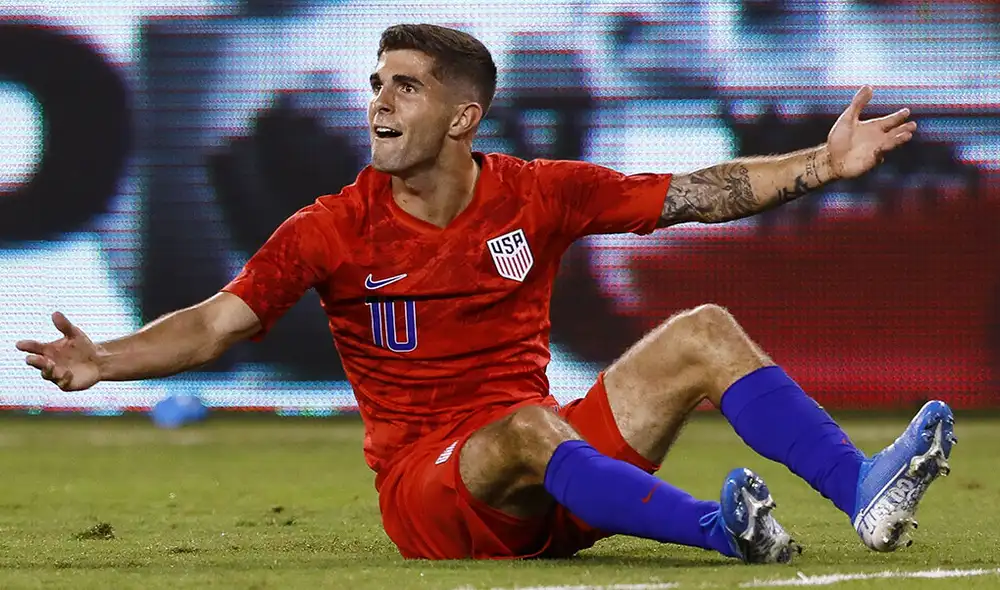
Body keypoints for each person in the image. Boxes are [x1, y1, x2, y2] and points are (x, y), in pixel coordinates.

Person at [15, 24, 956, 562]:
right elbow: (219, 323)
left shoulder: (536, 194)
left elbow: (692, 194)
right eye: (377, 83)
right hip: (433, 496)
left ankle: (862, 490)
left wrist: (824, 165)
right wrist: (106, 359)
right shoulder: (329, 227)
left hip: (554, 472)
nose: (379, 101)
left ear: (463, 116)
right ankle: (719, 530)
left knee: (703, 330)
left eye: (407, 88)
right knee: (528, 424)